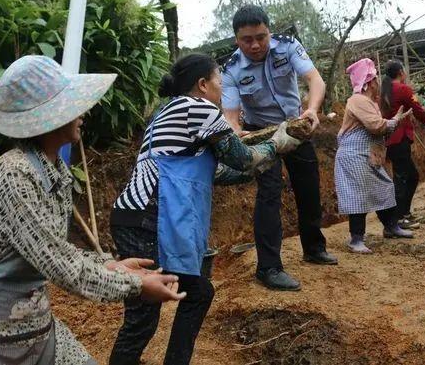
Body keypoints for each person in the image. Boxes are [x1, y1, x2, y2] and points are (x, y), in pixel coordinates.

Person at [0, 55, 185, 365]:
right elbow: (56, 264)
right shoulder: (13, 174)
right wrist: (134, 285)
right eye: (72, 104)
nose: (83, 111)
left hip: (33, 326)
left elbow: (57, 249)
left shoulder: (55, 171)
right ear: (52, 116)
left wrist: (110, 266)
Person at [108, 53, 300, 365]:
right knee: (142, 318)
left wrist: (261, 165)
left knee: (198, 293)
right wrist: (276, 144)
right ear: (202, 85)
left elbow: (220, 173)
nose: (221, 92)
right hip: (146, 219)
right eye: (219, 84)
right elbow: (241, 158)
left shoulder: (165, 114)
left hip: (138, 218)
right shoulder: (198, 108)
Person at [221, 4, 337, 292]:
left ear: (269, 32)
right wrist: (239, 133)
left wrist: (311, 110)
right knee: (269, 194)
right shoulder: (231, 69)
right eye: (247, 39)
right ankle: (269, 267)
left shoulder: (288, 47)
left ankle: (313, 247)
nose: (256, 44)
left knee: (308, 187)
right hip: (263, 135)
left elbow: (314, 79)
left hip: (296, 126)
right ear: (237, 39)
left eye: (260, 36)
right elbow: (231, 117)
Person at [334, 58, 414, 254]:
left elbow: (378, 126)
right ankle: (356, 239)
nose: (379, 82)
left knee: (384, 187)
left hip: (365, 155)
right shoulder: (357, 100)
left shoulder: (369, 102)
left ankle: (391, 226)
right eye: (376, 79)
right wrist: (393, 121)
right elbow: (375, 125)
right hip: (353, 156)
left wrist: (393, 121)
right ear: (369, 82)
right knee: (358, 195)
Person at [380, 59, 425, 228]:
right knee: (404, 178)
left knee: (408, 176)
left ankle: (404, 214)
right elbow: (418, 110)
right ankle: (398, 218)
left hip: (390, 140)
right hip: (400, 138)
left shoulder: (384, 91)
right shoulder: (403, 89)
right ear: (401, 72)